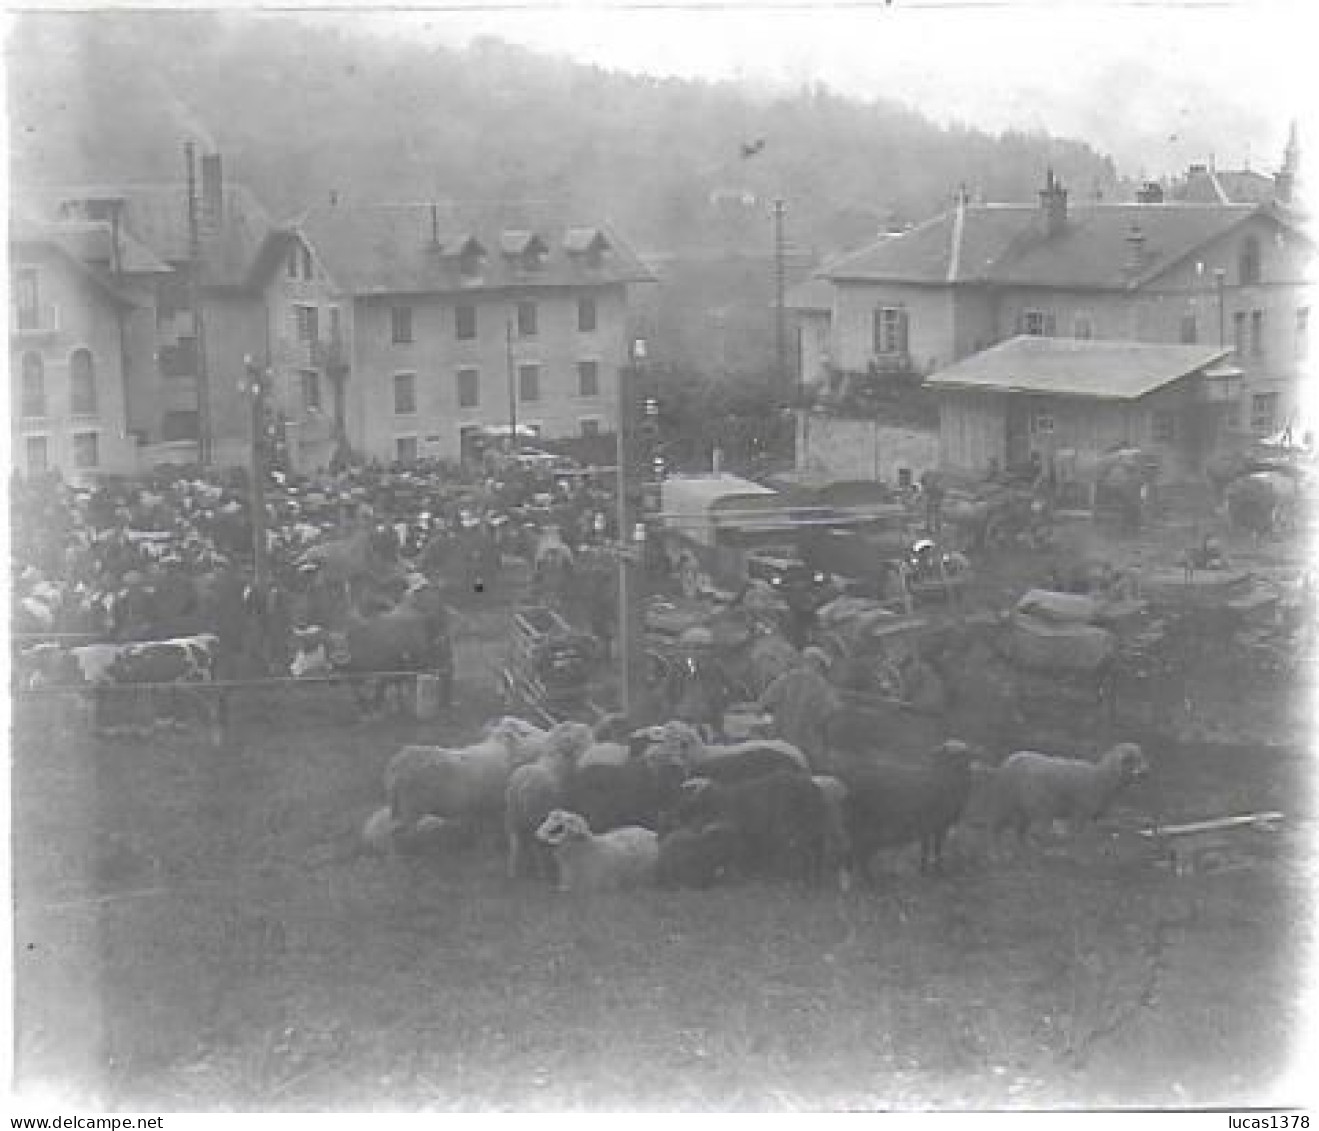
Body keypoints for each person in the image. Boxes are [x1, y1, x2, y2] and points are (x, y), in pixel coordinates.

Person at [755, 646, 841, 768]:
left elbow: (764, 703)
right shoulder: (823, 687)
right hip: (808, 748)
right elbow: (830, 714)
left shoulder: (786, 679)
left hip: (780, 743)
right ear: (818, 664)